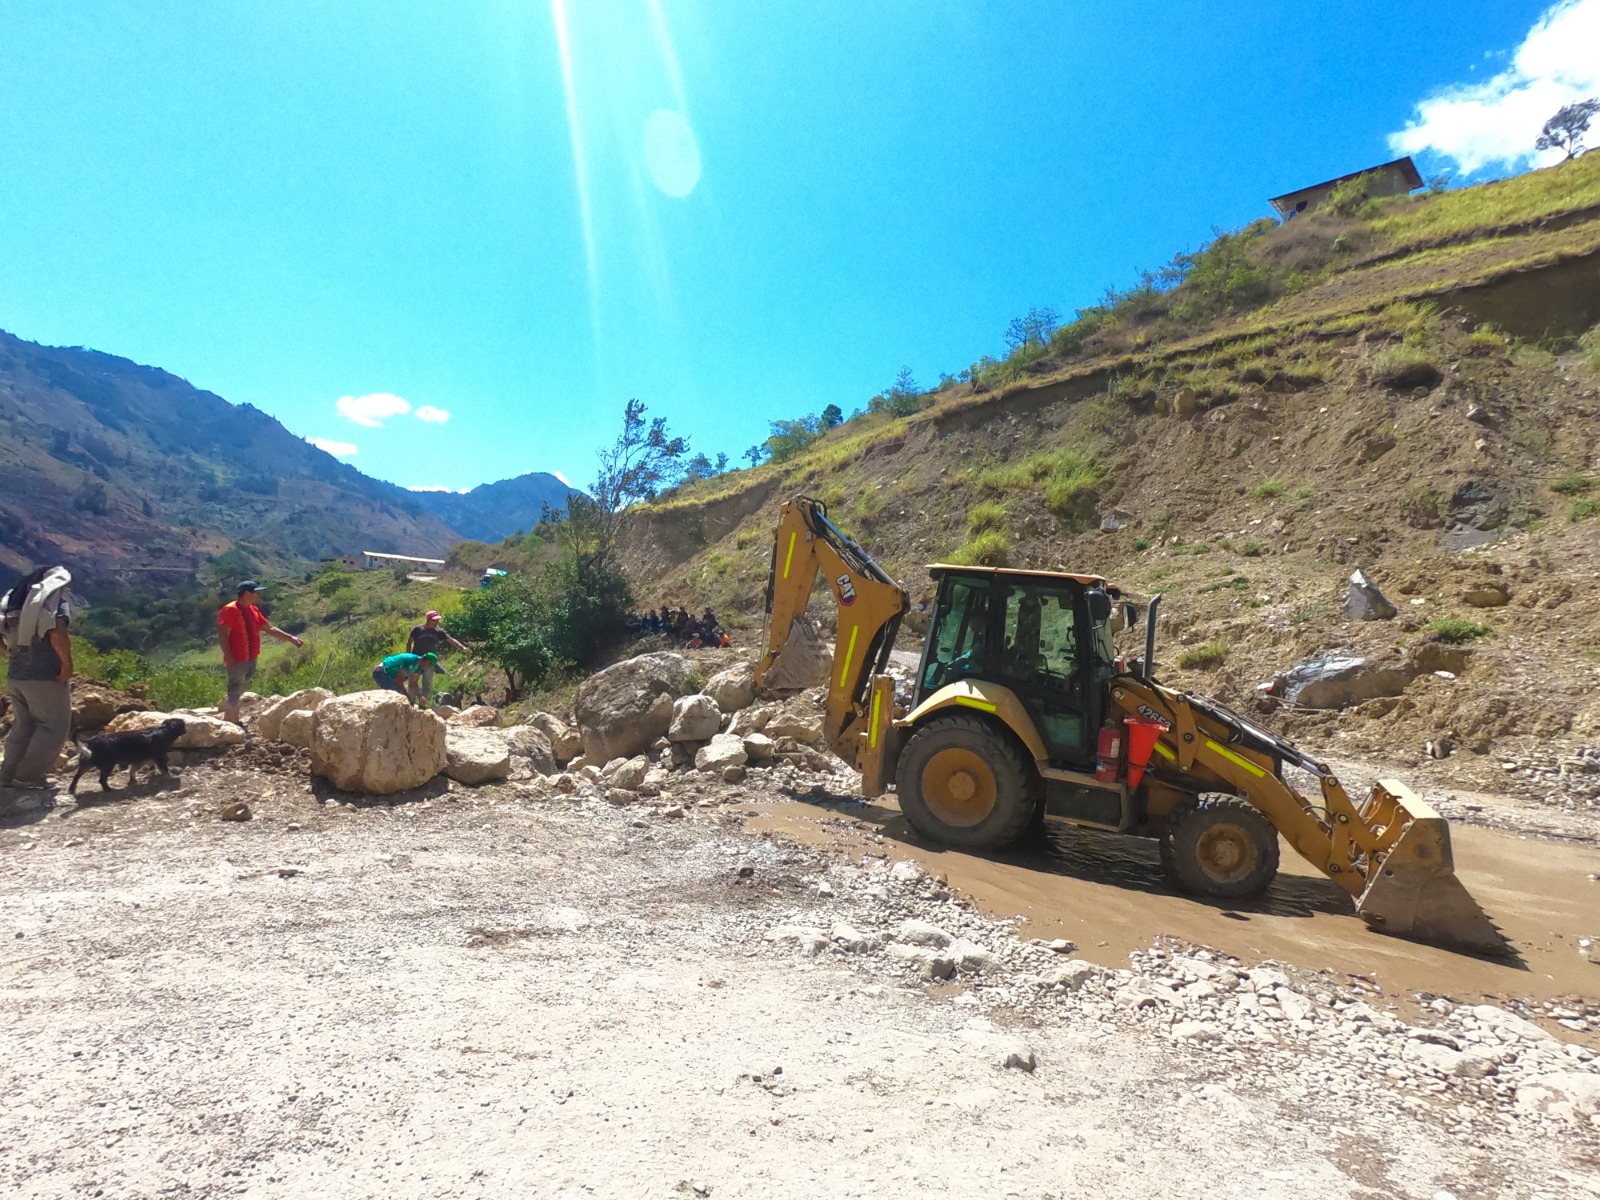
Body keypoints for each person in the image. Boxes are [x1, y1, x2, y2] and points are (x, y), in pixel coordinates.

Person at [1, 565, 74, 792]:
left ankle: (8, 775)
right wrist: (66, 665)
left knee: (23, 725)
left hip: (16, 675)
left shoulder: (14, 604)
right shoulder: (52, 603)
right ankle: (29, 776)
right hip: (44, 675)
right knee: (53, 726)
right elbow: (57, 634)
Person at [218, 581, 302, 724]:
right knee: (235, 688)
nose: (258, 595)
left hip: (251, 657)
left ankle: (228, 717)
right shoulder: (230, 610)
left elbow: (270, 629)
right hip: (237, 658)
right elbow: (223, 635)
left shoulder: (253, 610)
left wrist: (291, 638)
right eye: (256, 592)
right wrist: (229, 656)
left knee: (240, 687)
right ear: (247, 593)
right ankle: (234, 723)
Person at [405, 610, 466, 706]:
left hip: (430, 662)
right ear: (428, 619)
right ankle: (410, 704)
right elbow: (409, 642)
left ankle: (422, 705)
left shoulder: (439, 632)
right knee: (412, 683)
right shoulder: (418, 629)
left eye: (437, 620)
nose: (436, 622)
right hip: (416, 661)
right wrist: (409, 657)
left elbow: (451, 640)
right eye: (434, 620)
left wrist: (462, 648)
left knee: (427, 685)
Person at [373, 651, 443, 707]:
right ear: (426, 661)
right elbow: (399, 681)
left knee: (398, 695)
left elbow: (413, 683)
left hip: (390, 675)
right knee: (398, 694)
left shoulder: (418, 667)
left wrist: (420, 697)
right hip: (381, 672)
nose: (428, 667)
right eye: (429, 665)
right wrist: (407, 698)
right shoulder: (411, 660)